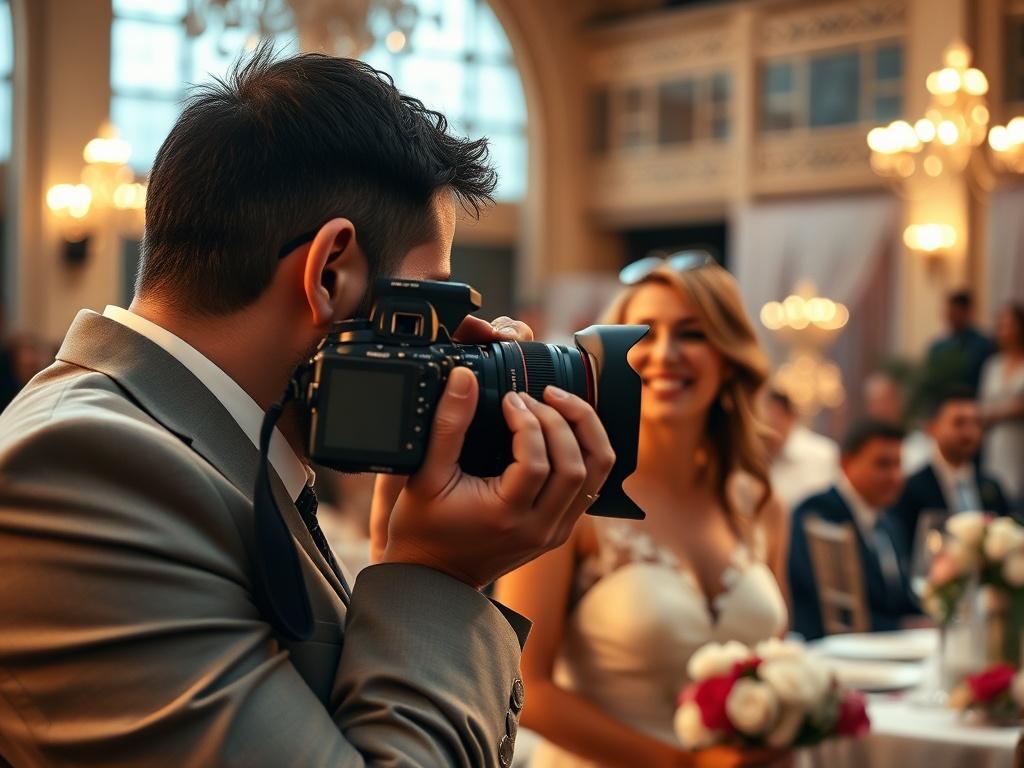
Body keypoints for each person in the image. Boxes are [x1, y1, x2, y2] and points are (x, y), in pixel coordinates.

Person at [0, 49, 617, 767]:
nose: (455, 347)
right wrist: (439, 579)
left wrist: (412, 554)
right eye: (435, 304)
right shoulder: (83, 475)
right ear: (330, 273)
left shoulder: (210, 448)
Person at [492, 258, 789, 768]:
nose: (665, 355)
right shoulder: (572, 489)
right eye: (645, 335)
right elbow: (523, 687)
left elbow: (773, 665)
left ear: (729, 356)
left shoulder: (758, 502)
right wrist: (684, 765)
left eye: (692, 334)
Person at [788, 420, 919, 641]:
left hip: (893, 651)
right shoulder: (817, 514)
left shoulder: (889, 522)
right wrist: (903, 627)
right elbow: (827, 608)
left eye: (899, 465)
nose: (895, 476)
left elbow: (901, 600)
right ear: (846, 463)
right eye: (883, 465)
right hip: (832, 652)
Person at [888, 387, 1009, 563]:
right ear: (932, 428)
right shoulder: (911, 489)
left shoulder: (991, 487)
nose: (969, 432)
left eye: (976, 423)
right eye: (959, 423)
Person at [763, 387, 839, 513]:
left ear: (790, 417)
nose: (764, 423)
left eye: (772, 416)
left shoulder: (822, 454)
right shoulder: (747, 453)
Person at [979, 302, 1024, 509]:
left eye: (1008, 324)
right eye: (1000, 325)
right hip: (996, 439)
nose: (1003, 330)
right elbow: (982, 406)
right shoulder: (992, 365)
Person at [926, 290, 996, 396]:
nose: (949, 316)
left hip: (971, 402)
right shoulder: (938, 347)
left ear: (966, 312)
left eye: (954, 312)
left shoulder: (982, 345)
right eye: (948, 312)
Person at [862, 370, 932, 475]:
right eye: (878, 402)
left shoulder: (919, 447)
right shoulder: (861, 449)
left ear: (900, 404)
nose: (883, 409)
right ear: (868, 407)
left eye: (888, 401)